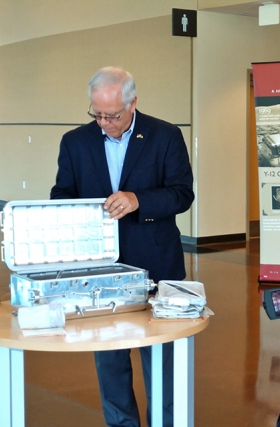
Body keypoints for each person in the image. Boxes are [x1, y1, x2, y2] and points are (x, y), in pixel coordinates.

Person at [50, 66, 194, 427]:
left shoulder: (166, 135)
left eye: (112, 115)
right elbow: (61, 195)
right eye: (96, 114)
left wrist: (137, 200)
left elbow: (182, 194)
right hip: (101, 268)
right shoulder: (75, 141)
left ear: (133, 103)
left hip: (157, 264)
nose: (104, 123)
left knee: (161, 358)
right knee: (110, 360)